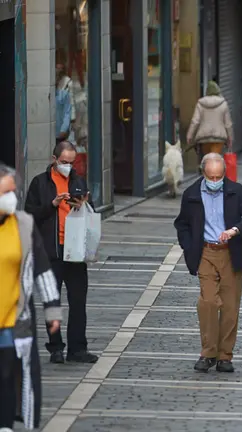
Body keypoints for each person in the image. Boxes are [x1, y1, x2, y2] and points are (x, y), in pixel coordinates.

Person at [174, 153, 242, 373]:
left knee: (230, 307)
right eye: (210, 177)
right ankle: (208, 352)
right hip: (205, 252)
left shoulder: (235, 191)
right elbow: (181, 223)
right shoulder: (191, 194)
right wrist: (188, 245)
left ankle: (224, 356)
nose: (214, 181)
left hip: (232, 253)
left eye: (218, 177)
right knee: (209, 302)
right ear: (203, 173)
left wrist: (235, 230)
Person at [0, 164, 62, 431]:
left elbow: (42, 270)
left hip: (15, 317)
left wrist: (52, 312)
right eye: (5, 192)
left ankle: (5, 423)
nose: (10, 197)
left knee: (7, 373)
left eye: (12, 191)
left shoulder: (23, 225)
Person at [24, 141, 97, 364]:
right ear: (54, 159)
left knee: (78, 301)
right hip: (50, 252)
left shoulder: (77, 179)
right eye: (64, 162)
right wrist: (52, 205)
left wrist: (82, 203)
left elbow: (89, 207)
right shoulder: (40, 183)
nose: (68, 166)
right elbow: (29, 214)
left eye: (71, 162)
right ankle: (56, 347)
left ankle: (78, 349)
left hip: (75, 251)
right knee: (52, 303)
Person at [187, 80, 234, 163]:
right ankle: (214, 174)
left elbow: (195, 121)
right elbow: (228, 124)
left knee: (207, 160)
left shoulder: (200, 103)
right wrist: (230, 138)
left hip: (204, 138)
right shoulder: (223, 104)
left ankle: (208, 174)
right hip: (219, 138)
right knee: (215, 160)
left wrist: (189, 135)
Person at [55, 63, 75, 144]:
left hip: (60, 133)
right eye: (57, 67)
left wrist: (64, 129)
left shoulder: (63, 93)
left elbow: (68, 111)